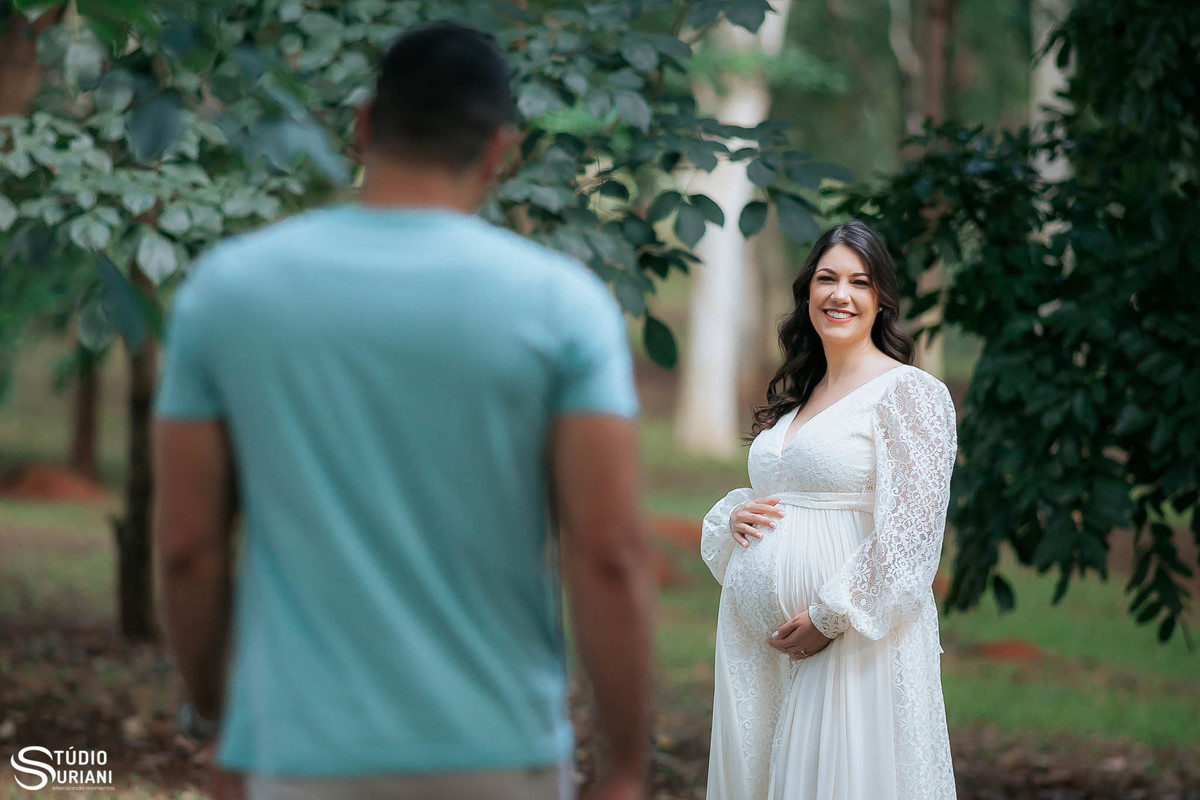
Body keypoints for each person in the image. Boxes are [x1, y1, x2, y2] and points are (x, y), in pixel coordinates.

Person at [153, 22, 654, 800]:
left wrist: (223, 720)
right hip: (497, 751)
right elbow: (610, 551)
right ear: (500, 149)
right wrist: (623, 766)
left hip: (296, 752)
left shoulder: (229, 290)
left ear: (362, 126)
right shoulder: (563, 306)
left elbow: (188, 544)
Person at [700, 219, 958, 800]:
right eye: (826, 278)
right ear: (807, 293)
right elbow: (787, 489)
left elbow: (910, 541)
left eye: (859, 282)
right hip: (761, 652)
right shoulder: (800, 394)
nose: (840, 294)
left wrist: (828, 617)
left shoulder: (909, 393)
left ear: (881, 299)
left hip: (853, 643)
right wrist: (734, 515)